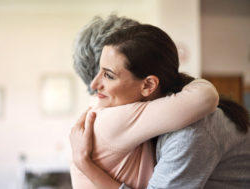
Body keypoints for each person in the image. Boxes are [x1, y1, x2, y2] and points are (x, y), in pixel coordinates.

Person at [70, 16, 250, 189]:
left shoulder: (189, 132)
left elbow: (205, 97)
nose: (94, 85)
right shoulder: (116, 115)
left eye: (108, 75)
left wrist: (85, 164)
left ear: (148, 84)